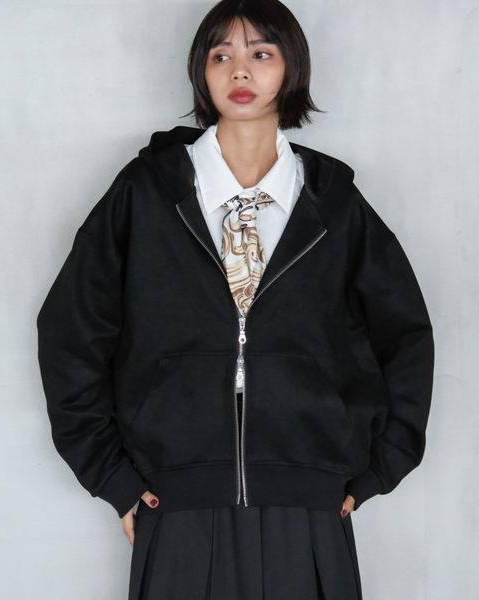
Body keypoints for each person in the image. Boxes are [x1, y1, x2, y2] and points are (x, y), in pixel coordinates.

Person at [36, 1, 435, 598]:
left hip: (310, 505)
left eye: (260, 53)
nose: (240, 71)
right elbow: (71, 333)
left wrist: (378, 468)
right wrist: (112, 476)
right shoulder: (146, 194)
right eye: (220, 55)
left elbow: (405, 335)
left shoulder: (333, 204)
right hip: (176, 503)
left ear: (291, 67)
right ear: (201, 71)